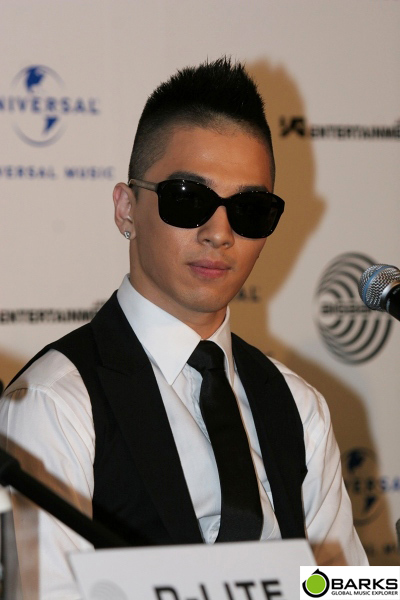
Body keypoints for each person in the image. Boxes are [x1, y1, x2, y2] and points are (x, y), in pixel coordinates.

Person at [0, 57, 367, 599]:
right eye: (189, 200)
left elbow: (344, 589)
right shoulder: (54, 404)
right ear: (126, 209)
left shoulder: (299, 406)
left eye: (249, 209)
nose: (220, 232)